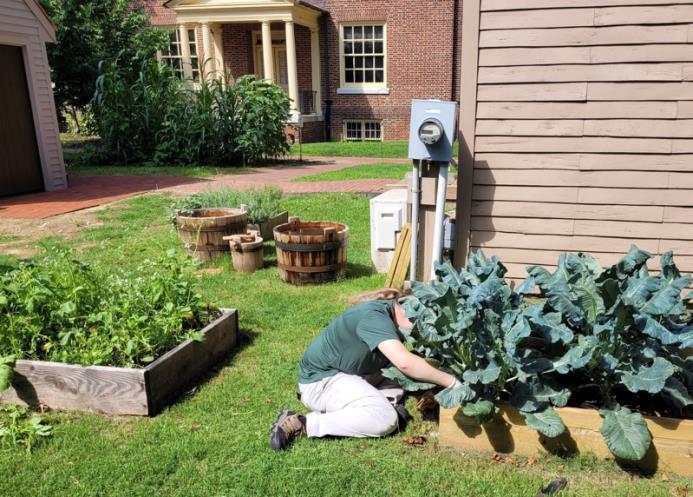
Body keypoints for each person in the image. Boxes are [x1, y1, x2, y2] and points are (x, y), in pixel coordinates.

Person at [270, 288, 458, 450]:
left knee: (413, 370)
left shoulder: (389, 313)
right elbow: (404, 362)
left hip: (353, 374)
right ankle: (301, 423)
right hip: (322, 383)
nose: (424, 329)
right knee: (386, 419)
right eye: (422, 322)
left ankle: (373, 405)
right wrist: (453, 382)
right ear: (406, 308)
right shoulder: (375, 319)